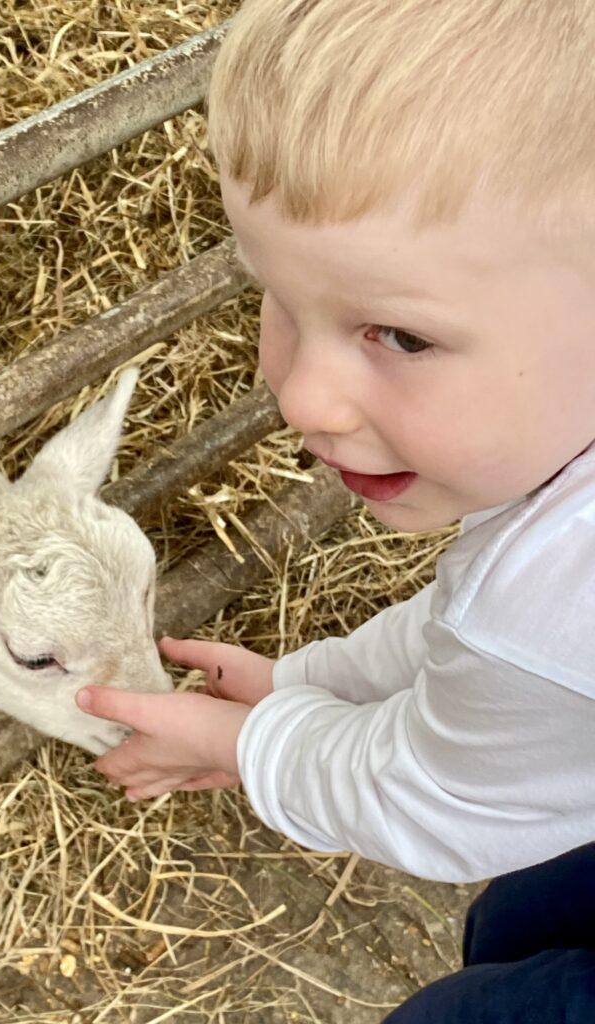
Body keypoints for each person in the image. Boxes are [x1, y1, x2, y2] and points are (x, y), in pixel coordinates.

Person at [73, 1, 595, 1017]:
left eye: (402, 335)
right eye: (275, 294)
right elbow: (484, 643)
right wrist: (307, 684)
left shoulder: (549, 606)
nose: (300, 399)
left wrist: (243, 744)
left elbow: (431, 790)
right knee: (532, 912)